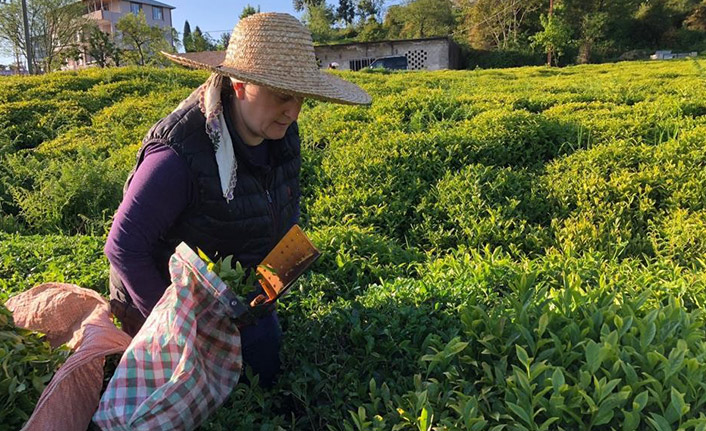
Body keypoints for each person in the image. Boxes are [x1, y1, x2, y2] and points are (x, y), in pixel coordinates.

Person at [104, 12, 371, 388]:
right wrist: (176, 333)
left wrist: (272, 283)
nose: (293, 112)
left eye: (301, 99)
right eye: (281, 96)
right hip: (164, 305)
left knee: (265, 382)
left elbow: (284, 207)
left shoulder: (281, 134)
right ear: (241, 84)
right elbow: (124, 248)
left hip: (236, 301)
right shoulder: (180, 154)